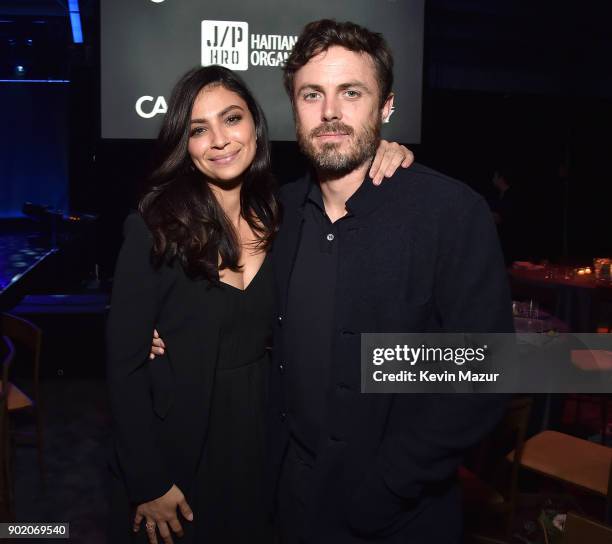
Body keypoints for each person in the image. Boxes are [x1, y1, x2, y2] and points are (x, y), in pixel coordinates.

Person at [107, 65, 412, 543]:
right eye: (198, 129)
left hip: (267, 437)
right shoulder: (153, 229)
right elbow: (122, 368)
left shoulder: (284, 213)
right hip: (181, 443)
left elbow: (347, 184)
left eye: (232, 119)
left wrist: (385, 153)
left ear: (255, 125)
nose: (219, 140)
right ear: (183, 145)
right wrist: (146, 479)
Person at [264, 20, 514, 543]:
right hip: (292, 506)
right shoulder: (277, 213)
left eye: (351, 93)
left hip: (401, 518)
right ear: (295, 108)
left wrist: (390, 484)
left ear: (386, 107)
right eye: (313, 94)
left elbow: (484, 372)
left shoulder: (449, 213)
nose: (330, 111)